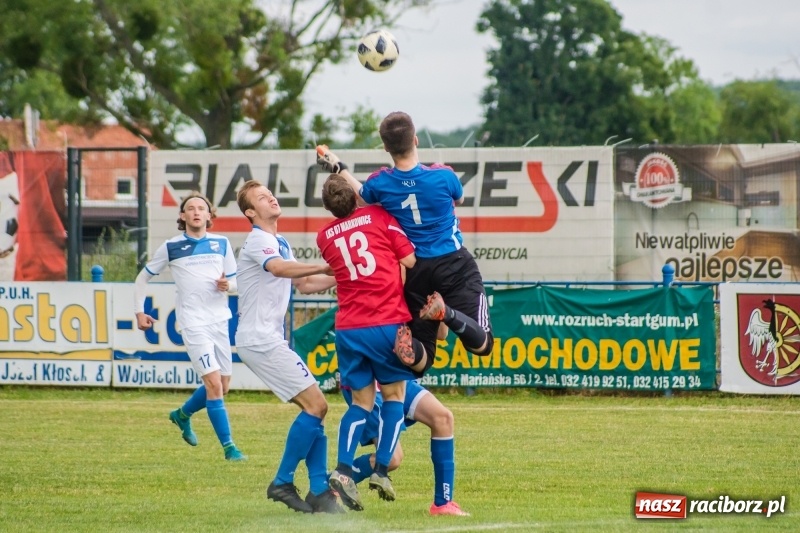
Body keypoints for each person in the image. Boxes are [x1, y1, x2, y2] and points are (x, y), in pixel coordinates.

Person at [316, 111, 494, 377]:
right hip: (453, 263)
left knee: (422, 361)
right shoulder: (444, 176)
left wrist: (338, 166)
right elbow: (458, 201)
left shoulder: (382, 183)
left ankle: (417, 340)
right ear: (416, 139)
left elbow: (362, 196)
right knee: (483, 345)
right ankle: (447, 314)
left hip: (415, 269)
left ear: (386, 148)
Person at [234, 179, 342, 514]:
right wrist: (327, 264)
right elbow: (279, 269)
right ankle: (283, 481)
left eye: (271, 193)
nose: (271, 197)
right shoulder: (258, 241)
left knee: (315, 411)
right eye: (261, 197)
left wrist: (346, 275)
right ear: (251, 212)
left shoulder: (279, 241)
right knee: (317, 406)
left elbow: (305, 283)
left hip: (267, 339)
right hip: (259, 339)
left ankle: (320, 490)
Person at [316, 173, 419, 511]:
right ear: (355, 196)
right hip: (386, 320)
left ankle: (344, 469)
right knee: (394, 396)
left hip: (348, 327)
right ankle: (381, 470)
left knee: (361, 403)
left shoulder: (324, 237)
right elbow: (410, 260)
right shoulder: (378, 217)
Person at [133, 192, 246, 461]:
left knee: (223, 385)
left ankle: (182, 415)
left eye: (201, 208)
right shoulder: (171, 246)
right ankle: (230, 448)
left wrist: (227, 286)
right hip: (193, 324)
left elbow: (237, 282)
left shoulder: (222, 243)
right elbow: (141, 279)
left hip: (220, 321)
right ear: (182, 217)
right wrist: (139, 312)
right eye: (190, 209)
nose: (196, 212)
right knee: (214, 385)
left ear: (209, 215)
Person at [340, 378, 470, 517]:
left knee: (443, 418)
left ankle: (443, 503)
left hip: (397, 377)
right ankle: (333, 483)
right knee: (392, 459)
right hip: (370, 384)